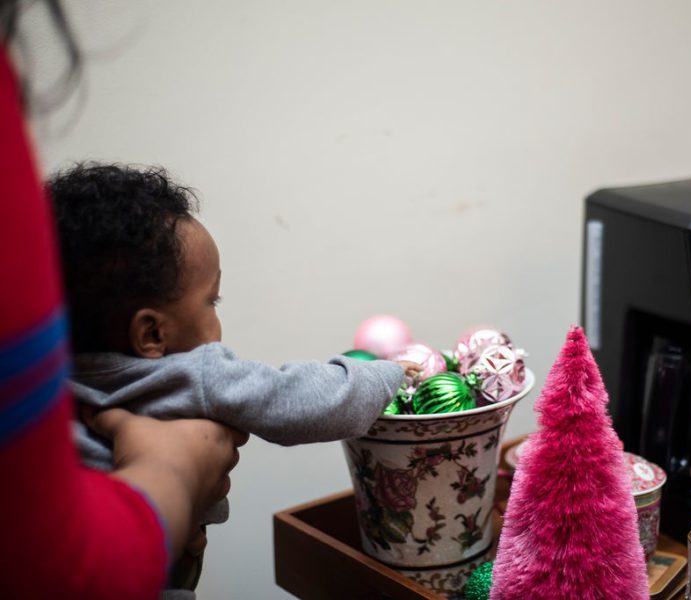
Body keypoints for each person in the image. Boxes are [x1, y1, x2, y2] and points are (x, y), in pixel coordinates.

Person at [47, 162, 415, 595]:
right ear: (152, 334)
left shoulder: (51, 393)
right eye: (212, 301)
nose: (216, 315)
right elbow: (311, 402)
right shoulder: (194, 375)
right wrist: (388, 372)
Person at [0, 4, 248, 597]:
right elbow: (302, 394)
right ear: (151, 334)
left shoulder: (67, 399)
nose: (217, 325)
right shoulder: (203, 378)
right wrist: (178, 470)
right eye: (212, 302)